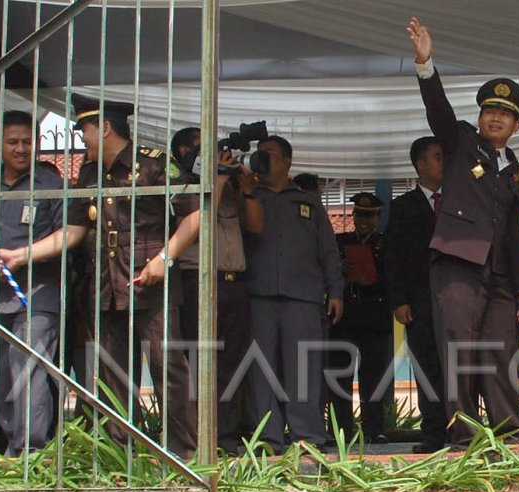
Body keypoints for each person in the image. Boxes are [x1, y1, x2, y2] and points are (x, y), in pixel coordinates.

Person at [13, 94, 196, 458]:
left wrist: (165, 258)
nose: (83, 140)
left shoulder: (154, 165)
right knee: (114, 374)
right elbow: (74, 231)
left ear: (106, 128)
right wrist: (21, 254)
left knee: (168, 369)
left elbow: (195, 214)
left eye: (85, 132)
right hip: (107, 285)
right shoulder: (88, 173)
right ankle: (124, 455)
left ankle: (184, 455)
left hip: (151, 282)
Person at [406, 17, 519, 445]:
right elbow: (438, 111)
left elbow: (515, 234)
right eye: (490, 111)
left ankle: (510, 433)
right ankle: (464, 436)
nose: (496, 118)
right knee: (458, 351)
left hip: (499, 276)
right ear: (480, 117)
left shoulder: (515, 171)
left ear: (517, 126)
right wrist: (426, 65)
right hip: (458, 264)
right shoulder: (460, 142)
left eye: (506, 114)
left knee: (500, 352)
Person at [0, 110, 66, 456]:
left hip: (38, 293)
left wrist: (23, 255)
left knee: (29, 370)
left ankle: (32, 450)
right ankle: (12, 446)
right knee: (0, 376)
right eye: (13, 142)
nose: (21, 149)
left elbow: (66, 237)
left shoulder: (51, 186)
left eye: (28, 141)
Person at [164, 126, 264, 452]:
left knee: (232, 365)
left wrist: (245, 188)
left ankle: (226, 437)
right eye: (200, 148)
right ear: (183, 155)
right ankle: (198, 439)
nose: (211, 154)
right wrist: (217, 179)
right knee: (199, 362)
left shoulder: (231, 186)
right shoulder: (180, 187)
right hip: (198, 283)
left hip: (234, 286)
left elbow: (255, 226)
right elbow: (200, 223)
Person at [243, 135, 343, 450]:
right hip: (257, 295)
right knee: (261, 369)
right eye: (259, 154)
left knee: (305, 367)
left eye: (269, 154)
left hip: (303, 296)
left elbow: (328, 249)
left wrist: (335, 290)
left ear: (287, 160)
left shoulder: (308, 200)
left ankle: (307, 435)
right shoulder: (247, 196)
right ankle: (268, 438)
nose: (263, 159)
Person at [385, 136, 448, 453]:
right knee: (427, 367)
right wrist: (399, 300)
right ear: (420, 164)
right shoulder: (403, 207)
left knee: (461, 366)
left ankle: (464, 430)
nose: (444, 162)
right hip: (420, 302)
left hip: (458, 299)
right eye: (438, 157)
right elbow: (393, 257)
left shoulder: (460, 200)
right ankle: (435, 433)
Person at [328, 192, 394, 442]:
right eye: (359, 214)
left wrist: (372, 280)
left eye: (369, 216)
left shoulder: (387, 244)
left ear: (378, 217)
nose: (363, 221)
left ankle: (374, 429)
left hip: (375, 315)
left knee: (373, 377)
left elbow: (393, 278)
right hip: (345, 316)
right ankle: (340, 430)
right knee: (339, 375)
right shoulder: (340, 242)